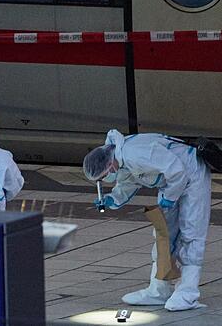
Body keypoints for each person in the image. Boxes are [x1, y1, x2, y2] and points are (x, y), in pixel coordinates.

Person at [83, 129, 211, 311]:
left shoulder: (136, 153)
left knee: (191, 233)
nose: (107, 179)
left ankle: (187, 294)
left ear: (109, 166)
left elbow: (177, 171)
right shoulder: (122, 159)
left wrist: (170, 197)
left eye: (104, 177)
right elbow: (129, 181)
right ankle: (159, 290)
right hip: (170, 183)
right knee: (164, 234)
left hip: (192, 175)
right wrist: (113, 199)